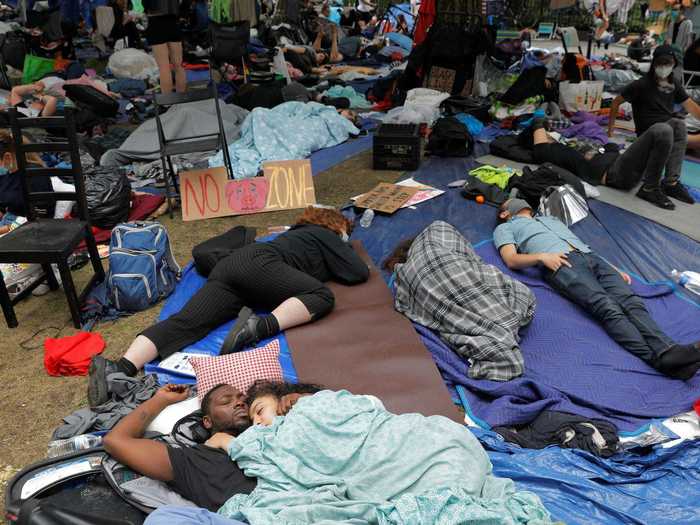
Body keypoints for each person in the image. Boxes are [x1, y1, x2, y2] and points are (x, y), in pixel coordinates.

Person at [88, 207, 369, 407]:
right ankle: (259, 327)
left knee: (185, 323)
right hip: (261, 268)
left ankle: (120, 367)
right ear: (335, 226)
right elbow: (357, 272)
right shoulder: (324, 234)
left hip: (232, 268)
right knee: (320, 296)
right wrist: (342, 242)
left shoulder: (294, 235)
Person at [494, 198, 700, 380]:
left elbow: (582, 243)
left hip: (591, 258)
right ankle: (662, 358)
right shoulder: (505, 228)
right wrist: (541, 257)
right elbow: (511, 259)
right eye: (508, 202)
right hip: (561, 263)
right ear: (505, 213)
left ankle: (670, 356)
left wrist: (613, 267)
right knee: (607, 307)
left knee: (632, 302)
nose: (517, 199)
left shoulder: (550, 220)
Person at [103, 383, 257, 511]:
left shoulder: (271, 432)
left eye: (244, 400)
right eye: (226, 401)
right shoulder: (193, 460)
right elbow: (115, 440)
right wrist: (161, 399)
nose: (239, 403)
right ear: (207, 422)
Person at [608, 45, 700, 208]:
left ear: (674, 65)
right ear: (655, 63)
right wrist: (610, 130)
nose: (664, 67)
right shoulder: (641, 85)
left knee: (678, 124)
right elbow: (616, 102)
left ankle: (671, 183)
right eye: (661, 62)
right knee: (665, 129)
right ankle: (649, 187)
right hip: (649, 135)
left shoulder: (674, 84)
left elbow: (691, 107)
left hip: (666, 132)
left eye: (668, 63)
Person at [143, 0, 186, 93]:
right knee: (178, 65)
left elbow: (146, 4)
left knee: (164, 67)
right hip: (173, 21)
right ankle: (182, 99)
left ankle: (167, 102)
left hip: (156, 21)